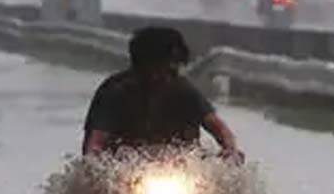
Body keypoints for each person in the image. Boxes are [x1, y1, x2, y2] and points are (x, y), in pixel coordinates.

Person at [82, 26, 242, 161]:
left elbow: (217, 126)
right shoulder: (115, 93)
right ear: (143, 65)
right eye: (161, 67)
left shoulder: (184, 90)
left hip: (178, 170)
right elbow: (96, 140)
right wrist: (94, 158)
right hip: (123, 169)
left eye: (174, 67)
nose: (167, 75)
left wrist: (230, 149)